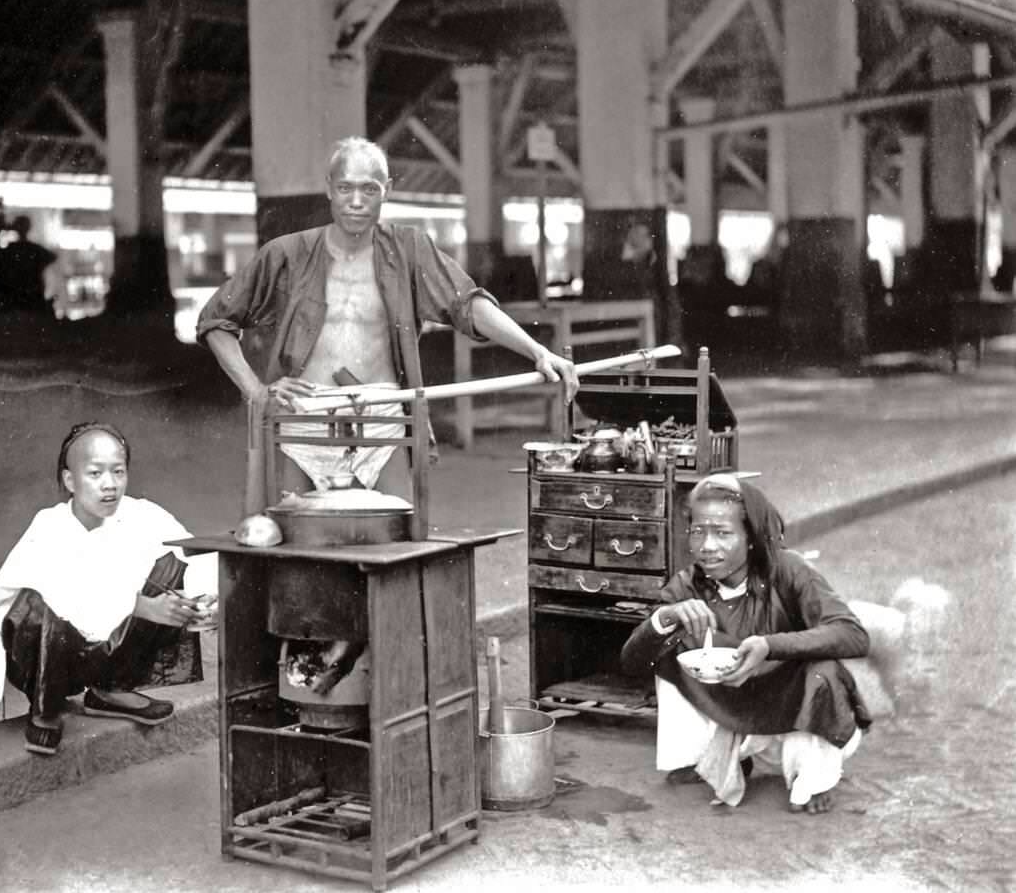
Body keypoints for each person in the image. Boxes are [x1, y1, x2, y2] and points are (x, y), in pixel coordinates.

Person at [196, 136, 579, 495]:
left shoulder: (409, 249)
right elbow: (215, 320)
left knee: (396, 539)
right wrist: (257, 392)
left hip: (382, 413)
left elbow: (468, 304)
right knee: (301, 545)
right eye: (345, 188)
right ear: (329, 188)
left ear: (387, 191)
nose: (357, 201)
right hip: (305, 415)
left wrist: (536, 351)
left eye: (370, 189)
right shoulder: (287, 254)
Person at [620, 474, 871, 814]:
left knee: (823, 671)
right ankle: (708, 755)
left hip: (792, 714)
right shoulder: (687, 585)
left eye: (722, 533)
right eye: (698, 532)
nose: (707, 545)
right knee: (669, 646)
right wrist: (665, 617)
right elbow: (632, 663)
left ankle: (814, 777)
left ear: (751, 537)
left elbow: (852, 634)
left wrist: (770, 646)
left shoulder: (788, 569)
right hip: (730, 707)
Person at [0, 422, 217, 755]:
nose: (110, 485)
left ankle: (111, 688)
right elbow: (65, 597)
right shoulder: (49, 526)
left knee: (173, 567)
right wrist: (141, 606)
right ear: (69, 480)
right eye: (95, 474)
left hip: (106, 650)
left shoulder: (141, 514)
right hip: (48, 656)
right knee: (38, 606)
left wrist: (203, 600)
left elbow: (191, 553)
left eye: (118, 472)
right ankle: (46, 709)